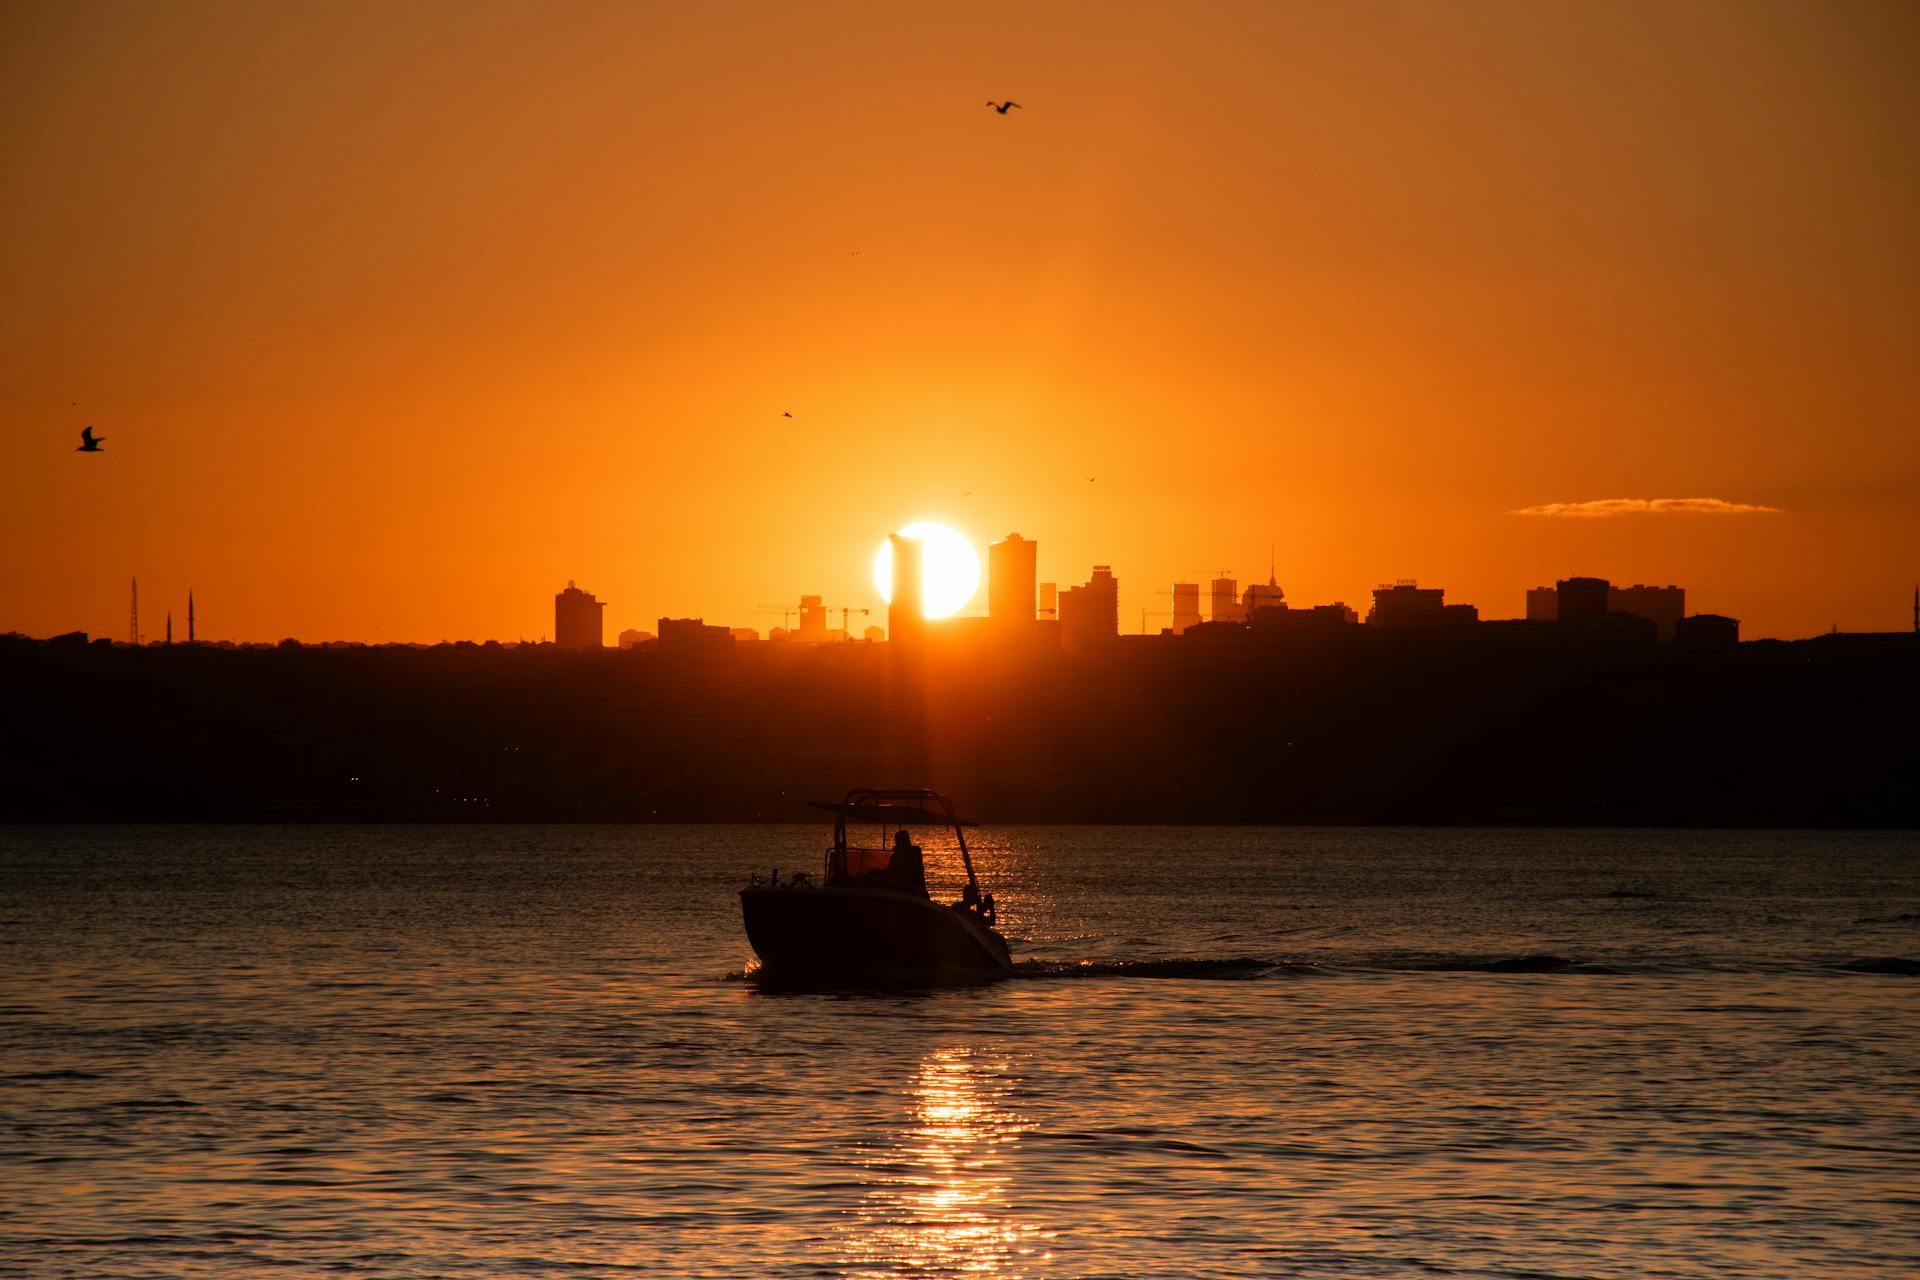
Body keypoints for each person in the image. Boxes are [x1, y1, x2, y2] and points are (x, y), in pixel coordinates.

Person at [887, 827, 926, 895]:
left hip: (914, 890)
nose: (896, 842)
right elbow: (890, 871)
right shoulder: (896, 855)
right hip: (901, 889)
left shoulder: (915, 852)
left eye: (898, 840)